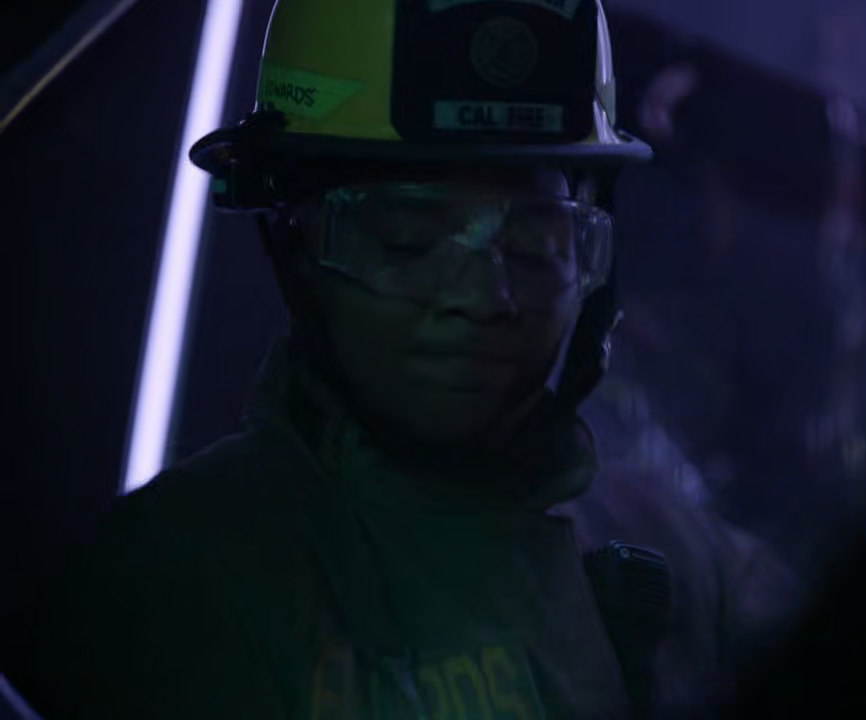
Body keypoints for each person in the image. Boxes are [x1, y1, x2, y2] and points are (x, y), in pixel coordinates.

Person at [6, 1, 797, 718]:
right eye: (407, 241)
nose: (483, 296)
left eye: (535, 244)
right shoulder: (170, 593)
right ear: (295, 243)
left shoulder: (683, 560)